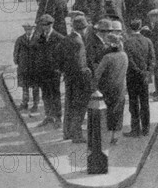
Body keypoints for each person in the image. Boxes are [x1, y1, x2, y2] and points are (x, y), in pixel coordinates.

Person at [57, 15, 92, 143]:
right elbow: (79, 63)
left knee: (69, 105)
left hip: (69, 78)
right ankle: (77, 134)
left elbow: (59, 57)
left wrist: (64, 71)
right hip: (79, 79)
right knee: (79, 106)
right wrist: (86, 71)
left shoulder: (66, 39)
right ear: (83, 28)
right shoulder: (79, 42)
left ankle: (67, 132)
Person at [123, 19, 156, 137]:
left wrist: (138, 71)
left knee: (133, 103)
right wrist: (147, 73)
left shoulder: (127, 42)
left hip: (132, 77)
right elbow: (152, 59)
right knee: (145, 103)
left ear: (129, 28)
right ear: (140, 27)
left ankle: (135, 129)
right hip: (144, 78)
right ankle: (146, 129)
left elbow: (130, 61)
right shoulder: (147, 41)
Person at [94, 33, 128, 145]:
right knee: (118, 112)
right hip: (121, 87)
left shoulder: (107, 58)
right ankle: (115, 136)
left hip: (108, 88)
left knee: (107, 112)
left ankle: (105, 137)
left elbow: (97, 74)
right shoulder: (124, 55)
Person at [35, 14, 64, 129]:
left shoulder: (59, 38)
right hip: (43, 72)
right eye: (41, 25)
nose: (43, 27)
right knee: (45, 94)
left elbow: (63, 56)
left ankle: (58, 118)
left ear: (51, 24)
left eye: (45, 25)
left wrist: (60, 69)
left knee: (55, 95)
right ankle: (48, 116)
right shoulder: (40, 38)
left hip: (54, 72)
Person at [13, 22, 40, 112]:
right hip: (24, 67)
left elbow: (41, 53)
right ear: (25, 30)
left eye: (30, 29)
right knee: (25, 87)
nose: (29, 31)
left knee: (35, 87)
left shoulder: (38, 39)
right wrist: (17, 61)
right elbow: (16, 52)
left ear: (33, 29)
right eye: (27, 29)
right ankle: (25, 103)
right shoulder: (20, 39)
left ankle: (36, 104)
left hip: (35, 68)